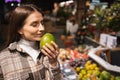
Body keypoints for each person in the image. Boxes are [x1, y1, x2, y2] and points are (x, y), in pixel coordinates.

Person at [0, 4, 61, 80]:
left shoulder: (48, 52)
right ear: (19, 29)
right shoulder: (3, 59)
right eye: (34, 24)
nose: (42, 28)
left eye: (42, 23)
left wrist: (53, 63)